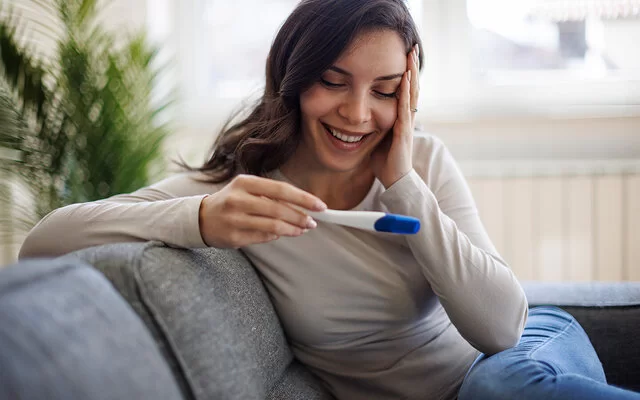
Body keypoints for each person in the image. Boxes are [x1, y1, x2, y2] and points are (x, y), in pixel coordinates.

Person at [18, 0, 640, 399]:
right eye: (333, 82)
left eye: (386, 90)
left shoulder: (422, 162)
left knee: (498, 387)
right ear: (291, 79)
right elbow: (42, 241)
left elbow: (504, 327)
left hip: (524, 356)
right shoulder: (243, 193)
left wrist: (402, 181)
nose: (358, 113)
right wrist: (200, 219)